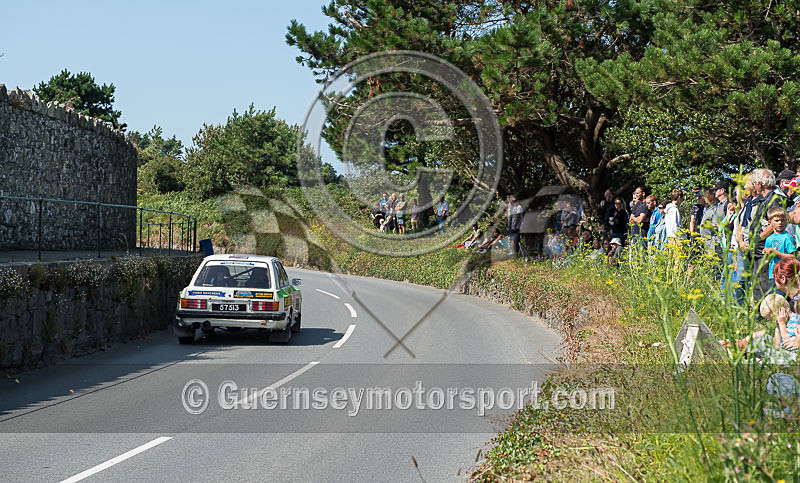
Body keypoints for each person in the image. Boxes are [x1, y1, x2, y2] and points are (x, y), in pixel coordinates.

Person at [763, 206, 796, 290]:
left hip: (785, 274)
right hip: (772, 274)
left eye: (782, 220)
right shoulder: (769, 239)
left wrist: (776, 253)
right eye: (777, 221)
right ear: (770, 222)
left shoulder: (787, 237)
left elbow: (793, 257)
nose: (780, 223)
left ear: (786, 220)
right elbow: (768, 260)